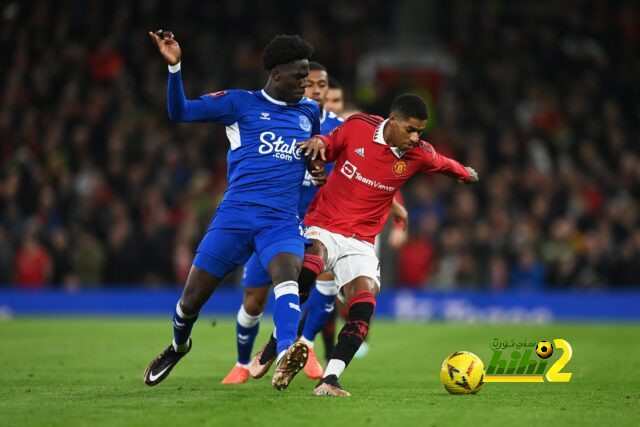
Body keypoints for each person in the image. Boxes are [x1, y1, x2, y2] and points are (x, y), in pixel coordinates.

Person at [257, 94, 478, 396]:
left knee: (363, 306)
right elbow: (327, 145)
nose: (416, 138)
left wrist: (464, 173)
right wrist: (319, 148)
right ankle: (276, 343)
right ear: (393, 120)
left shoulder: (419, 154)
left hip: (361, 241)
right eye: (410, 129)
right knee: (309, 267)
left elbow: (443, 163)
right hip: (324, 224)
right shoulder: (359, 126)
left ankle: (330, 379)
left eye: (420, 132)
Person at [143, 30, 323, 392]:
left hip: (281, 221)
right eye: (299, 75)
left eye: (308, 75)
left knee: (288, 274)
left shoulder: (310, 113)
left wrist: (316, 166)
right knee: (190, 301)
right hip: (236, 217)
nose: (307, 82)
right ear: (275, 74)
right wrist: (175, 67)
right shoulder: (239, 104)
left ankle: (286, 353)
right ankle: (180, 345)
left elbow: (310, 158)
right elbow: (180, 112)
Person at [221, 61, 343, 384]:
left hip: (314, 225)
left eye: (322, 84)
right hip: (275, 224)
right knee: (254, 300)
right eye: (310, 83)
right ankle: (242, 362)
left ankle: (306, 343)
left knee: (323, 278)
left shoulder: (338, 129)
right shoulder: (283, 118)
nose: (316, 89)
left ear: (327, 89)